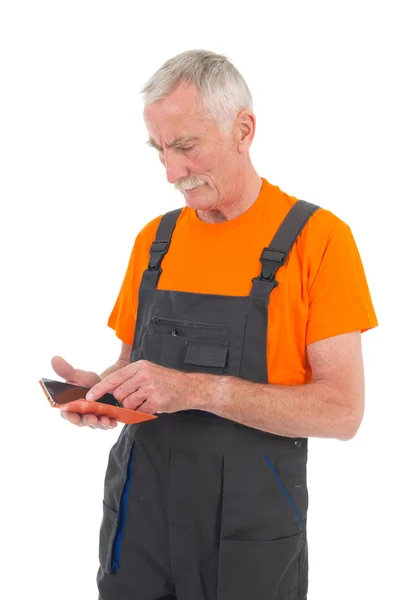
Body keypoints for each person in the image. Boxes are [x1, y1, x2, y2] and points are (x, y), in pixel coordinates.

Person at [52, 50, 378, 600]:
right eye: (159, 150)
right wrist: (103, 389)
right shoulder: (155, 240)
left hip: (247, 528)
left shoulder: (318, 241)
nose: (171, 173)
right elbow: (132, 363)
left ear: (243, 129)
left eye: (186, 146)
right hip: (141, 513)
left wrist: (196, 390)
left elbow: (343, 413)